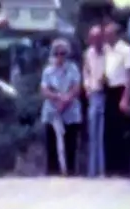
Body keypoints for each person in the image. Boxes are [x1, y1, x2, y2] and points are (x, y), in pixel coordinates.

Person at [40, 38, 83, 176]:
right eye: (57, 53)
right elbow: (44, 90)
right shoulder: (48, 71)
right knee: (51, 145)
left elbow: (76, 88)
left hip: (70, 110)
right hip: (52, 111)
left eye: (63, 53)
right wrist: (58, 98)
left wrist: (65, 100)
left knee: (70, 144)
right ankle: (52, 172)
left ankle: (70, 172)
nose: (60, 56)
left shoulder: (73, 68)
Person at [103, 22, 130, 177]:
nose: (107, 36)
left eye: (109, 34)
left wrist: (125, 97)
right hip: (109, 90)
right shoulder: (107, 50)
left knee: (121, 129)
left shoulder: (126, 50)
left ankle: (124, 168)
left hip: (121, 90)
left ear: (116, 34)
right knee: (110, 129)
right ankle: (111, 167)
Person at [83, 25, 107, 178]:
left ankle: (102, 170)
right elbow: (86, 72)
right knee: (93, 133)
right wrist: (87, 88)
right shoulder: (88, 54)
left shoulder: (108, 53)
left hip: (105, 93)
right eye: (93, 38)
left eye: (98, 37)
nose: (95, 41)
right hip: (93, 94)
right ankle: (92, 171)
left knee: (102, 134)